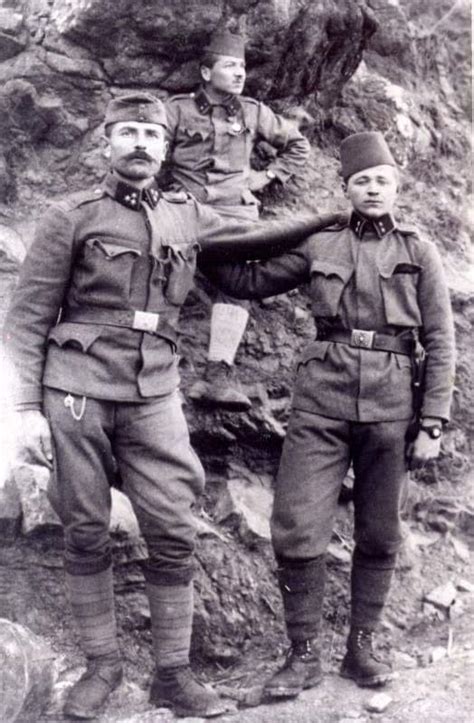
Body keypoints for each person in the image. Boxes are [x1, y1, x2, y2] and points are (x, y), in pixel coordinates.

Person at [2, 91, 333, 719]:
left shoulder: (188, 216)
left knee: (174, 525)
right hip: (76, 387)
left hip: (155, 388)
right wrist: (22, 410)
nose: (139, 145)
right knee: (83, 525)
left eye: (150, 136)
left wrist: (325, 220)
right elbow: (25, 321)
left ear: (164, 147)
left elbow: (254, 234)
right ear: (107, 143)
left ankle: (173, 677)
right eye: (126, 133)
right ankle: (101, 669)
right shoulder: (70, 216)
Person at [203, 131, 456, 697]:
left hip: (393, 405)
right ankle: (303, 657)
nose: (372, 189)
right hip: (321, 399)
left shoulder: (419, 251)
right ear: (345, 188)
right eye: (361, 181)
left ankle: (361, 649)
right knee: (296, 526)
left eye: (381, 180)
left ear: (397, 186)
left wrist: (434, 422)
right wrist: (197, 245)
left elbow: (441, 341)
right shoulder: (322, 243)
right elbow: (250, 280)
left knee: (381, 530)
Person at [165, 30, 310, 410]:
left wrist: (268, 176)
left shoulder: (253, 111)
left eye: (243, 67)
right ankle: (161, 371)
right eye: (230, 66)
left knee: (239, 285)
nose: (240, 73)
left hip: (234, 215)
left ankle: (217, 375)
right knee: (167, 274)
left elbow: (297, 145)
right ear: (206, 72)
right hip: (186, 211)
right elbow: (154, 154)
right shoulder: (176, 109)